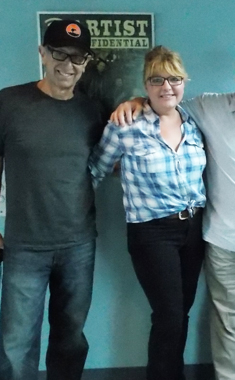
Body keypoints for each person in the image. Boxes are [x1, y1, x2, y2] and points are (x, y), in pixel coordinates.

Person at [111, 44, 235, 380]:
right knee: (228, 325)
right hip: (226, 241)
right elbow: (165, 101)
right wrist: (135, 101)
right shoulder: (207, 107)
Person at [89, 46, 206, 380]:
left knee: (181, 313)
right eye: (157, 79)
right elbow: (95, 171)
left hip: (194, 228)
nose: (166, 86)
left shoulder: (194, 121)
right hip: (152, 233)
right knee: (168, 315)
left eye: (174, 79)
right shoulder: (125, 125)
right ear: (146, 84)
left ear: (185, 82)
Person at [0, 20, 105, 380]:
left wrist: (137, 102)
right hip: (24, 247)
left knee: (71, 339)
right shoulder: (8, 102)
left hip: (78, 244)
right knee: (16, 344)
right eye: (59, 53)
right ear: (42, 53)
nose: (68, 64)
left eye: (78, 58)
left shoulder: (94, 111)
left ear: (86, 63)